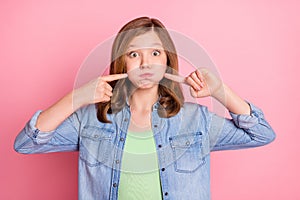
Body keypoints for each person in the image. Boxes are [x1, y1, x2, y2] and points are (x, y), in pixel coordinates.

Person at [14, 16, 276, 200]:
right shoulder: (92, 119)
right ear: (122, 62)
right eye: (133, 54)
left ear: (167, 61)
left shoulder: (197, 121)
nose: (145, 63)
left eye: (155, 53)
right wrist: (76, 98)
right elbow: (26, 142)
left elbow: (262, 134)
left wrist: (220, 91)